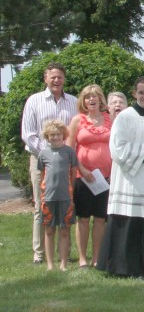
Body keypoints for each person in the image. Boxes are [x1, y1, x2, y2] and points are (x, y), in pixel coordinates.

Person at [96, 77, 144, 277]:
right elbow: (117, 149)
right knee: (131, 222)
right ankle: (124, 267)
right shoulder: (125, 117)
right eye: (141, 93)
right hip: (132, 180)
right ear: (134, 94)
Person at [21, 62, 78, 264]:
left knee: (66, 204)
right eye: (52, 77)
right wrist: (46, 153)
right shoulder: (34, 101)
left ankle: (66, 253)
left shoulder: (72, 101)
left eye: (60, 77)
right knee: (41, 204)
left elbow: (76, 131)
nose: (56, 80)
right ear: (46, 78)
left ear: (64, 79)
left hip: (65, 163)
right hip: (40, 160)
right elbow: (28, 133)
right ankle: (39, 254)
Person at [65, 84, 112, 268]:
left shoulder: (110, 119)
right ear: (83, 101)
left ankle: (97, 257)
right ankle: (83, 258)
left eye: (95, 97)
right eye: (87, 97)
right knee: (83, 218)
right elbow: (69, 148)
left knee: (100, 218)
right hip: (83, 177)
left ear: (101, 100)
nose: (92, 100)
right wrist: (82, 170)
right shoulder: (78, 120)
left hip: (105, 177)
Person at [36, 120, 78, 271]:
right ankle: (50, 264)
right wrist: (43, 192)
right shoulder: (43, 153)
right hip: (48, 198)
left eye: (58, 134)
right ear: (47, 136)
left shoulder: (69, 152)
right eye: (52, 135)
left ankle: (63, 263)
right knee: (49, 230)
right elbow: (42, 175)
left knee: (65, 230)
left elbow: (73, 172)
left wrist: (71, 189)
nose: (55, 137)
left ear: (64, 135)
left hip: (66, 197)